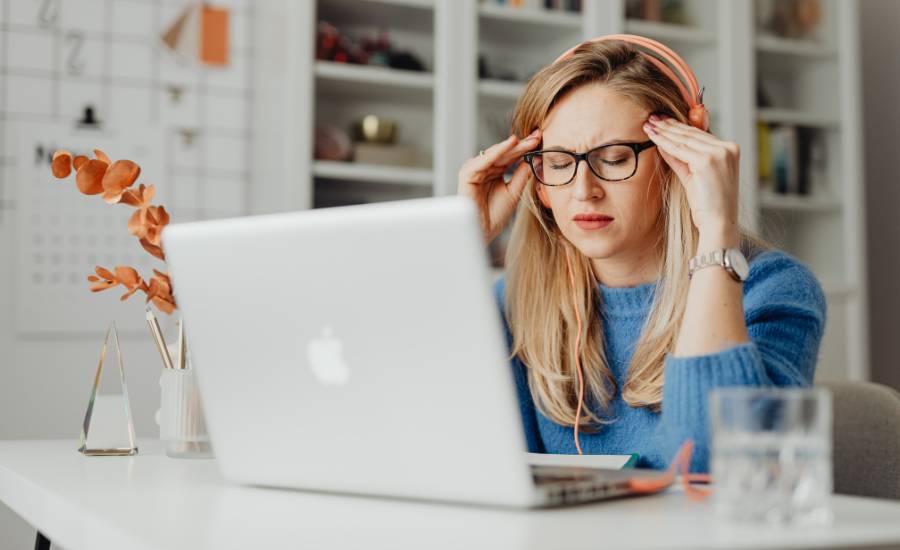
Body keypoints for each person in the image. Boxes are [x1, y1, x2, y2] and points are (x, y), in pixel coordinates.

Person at [456, 36, 826, 473]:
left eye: (613, 159)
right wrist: (459, 246)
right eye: (557, 164)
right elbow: (457, 453)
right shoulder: (515, 302)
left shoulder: (772, 290)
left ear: (678, 161)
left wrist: (715, 235)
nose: (583, 191)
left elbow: (714, 467)